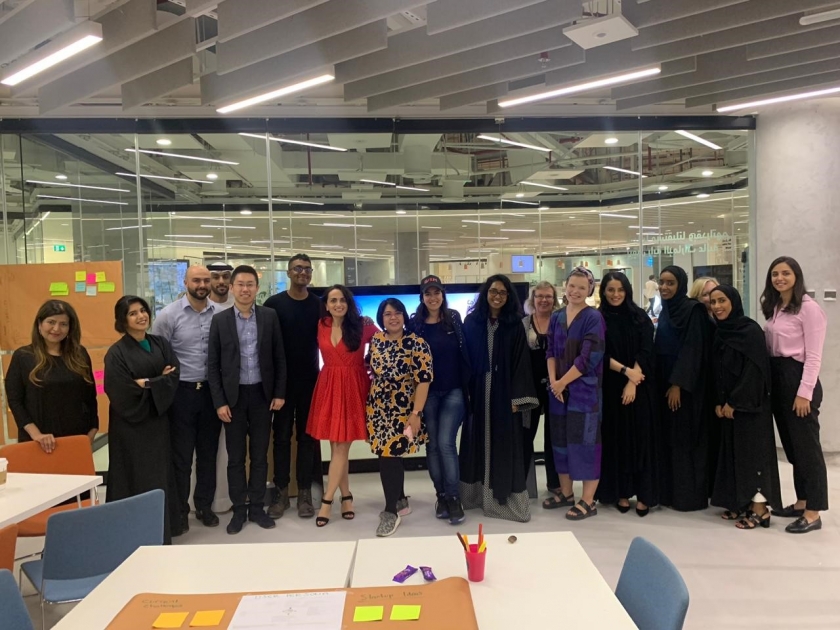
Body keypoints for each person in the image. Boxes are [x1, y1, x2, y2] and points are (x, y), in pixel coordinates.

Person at [207, 265, 286, 535]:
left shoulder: (269, 317)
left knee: (260, 456)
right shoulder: (220, 320)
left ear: (256, 288)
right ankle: (239, 509)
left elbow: (279, 357)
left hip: (263, 396)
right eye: (240, 284)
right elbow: (213, 365)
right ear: (232, 288)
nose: (245, 289)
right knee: (236, 458)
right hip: (234, 398)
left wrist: (279, 393)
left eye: (250, 284)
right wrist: (219, 402)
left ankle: (257, 508)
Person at [460, 274, 538, 522]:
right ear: (486, 293)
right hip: (477, 395)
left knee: (504, 445)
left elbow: (521, 363)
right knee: (475, 442)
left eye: (503, 293)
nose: (497, 296)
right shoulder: (472, 322)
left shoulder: (514, 325)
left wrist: (517, 400)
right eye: (493, 291)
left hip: (504, 398)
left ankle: (501, 500)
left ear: (508, 297)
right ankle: (473, 497)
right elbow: (464, 359)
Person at [152, 265, 221, 533]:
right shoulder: (168, 315)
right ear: (185, 282)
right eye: (196, 280)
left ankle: (204, 506)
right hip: (181, 394)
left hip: (211, 394)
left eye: (206, 280)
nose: (202, 285)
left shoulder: (220, 314)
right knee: (181, 458)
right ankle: (180, 510)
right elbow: (157, 354)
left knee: (208, 455)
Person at [104, 296, 179, 543]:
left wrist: (145, 383)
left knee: (159, 475)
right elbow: (120, 390)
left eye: (143, 310)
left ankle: (161, 530)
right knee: (133, 476)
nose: (141, 316)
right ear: (122, 320)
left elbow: (173, 376)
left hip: (158, 422)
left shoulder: (160, 343)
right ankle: (133, 533)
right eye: (133, 313)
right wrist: (158, 380)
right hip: (130, 427)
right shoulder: (116, 353)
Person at [762, 256, 827, 534]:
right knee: (793, 448)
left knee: (808, 450)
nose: (780, 278)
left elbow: (814, 356)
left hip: (798, 380)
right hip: (778, 379)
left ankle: (814, 512)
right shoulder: (776, 307)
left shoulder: (809, 309)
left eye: (786, 273)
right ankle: (802, 502)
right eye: (775, 274)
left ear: (796, 276)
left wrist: (804, 393)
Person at [709, 285, 781, 530]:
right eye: (713, 302)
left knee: (754, 457)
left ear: (734, 301)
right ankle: (740, 502)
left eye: (722, 300)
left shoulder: (750, 331)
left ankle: (760, 510)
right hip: (728, 407)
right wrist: (719, 402)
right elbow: (717, 371)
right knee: (734, 456)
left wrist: (735, 402)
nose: (717, 306)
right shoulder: (721, 332)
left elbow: (754, 372)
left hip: (751, 407)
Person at [307, 285, 378, 527]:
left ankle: (327, 501)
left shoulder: (363, 325)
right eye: (333, 300)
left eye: (342, 300)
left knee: (340, 447)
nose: (338, 304)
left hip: (353, 387)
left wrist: (371, 366)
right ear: (326, 305)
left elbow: (386, 343)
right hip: (328, 386)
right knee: (337, 445)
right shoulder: (321, 325)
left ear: (349, 303)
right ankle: (346, 497)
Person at [407, 275, 470, 525]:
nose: (433, 298)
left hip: (454, 390)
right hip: (427, 394)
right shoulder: (415, 324)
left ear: (443, 295)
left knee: (445, 443)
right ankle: (441, 496)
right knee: (432, 445)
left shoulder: (454, 318)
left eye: (437, 293)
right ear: (422, 297)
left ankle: (454, 497)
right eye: (428, 293)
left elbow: (465, 351)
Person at [263, 254, 323, 519]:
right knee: (281, 438)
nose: (303, 272)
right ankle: (281, 492)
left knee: (307, 439)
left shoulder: (319, 305)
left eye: (307, 269)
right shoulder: (273, 305)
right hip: (281, 385)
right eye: (297, 268)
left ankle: (305, 493)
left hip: (311, 382)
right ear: (288, 273)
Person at [545, 267, 606, 521]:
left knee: (586, 445)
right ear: (565, 286)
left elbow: (588, 359)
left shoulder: (593, 318)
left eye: (582, 287)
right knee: (560, 443)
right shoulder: (557, 317)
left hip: (584, 394)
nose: (576, 291)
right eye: (572, 286)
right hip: (558, 392)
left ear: (590, 290)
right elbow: (550, 351)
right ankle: (566, 493)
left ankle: (588, 501)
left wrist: (562, 382)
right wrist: (554, 382)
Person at [368, 298, 433, 537]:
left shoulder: (417, 343)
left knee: (390, 455)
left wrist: (416, 414)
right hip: (377, 409)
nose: (393, 317)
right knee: (387, 454)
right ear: (381, 318)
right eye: (387, 314)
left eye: (397, 313)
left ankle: (390, 512)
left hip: (403, 409)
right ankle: (401, 500)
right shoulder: (376, 340)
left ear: (404, 316)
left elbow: (424, 381)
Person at [595, 272, 658, 517]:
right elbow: (599, 354)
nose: (615, 294)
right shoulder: (598, 318)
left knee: (641, 439)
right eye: (610, 289)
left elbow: (647, 348)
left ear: (627, 290)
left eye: (620, 289)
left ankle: (644, 495)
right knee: (617, 440)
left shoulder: (639, 316)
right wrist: (626, 372)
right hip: (611, 387)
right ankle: (621, 492)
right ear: (603, 291)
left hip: (640, 386)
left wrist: (633, 380)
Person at [655, 265, 713, 512]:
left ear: (681, 285)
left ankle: (688, 497)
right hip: (664, 383)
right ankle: (669, 493)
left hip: (685, 388)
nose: (664, 287)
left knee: (685, 440)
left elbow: (693, 349)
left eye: (670, 283)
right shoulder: (667, 310)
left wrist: (677, 384)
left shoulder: (693, 310)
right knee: (669, 439)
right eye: (662, 282)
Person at [6, 300, 98, 451]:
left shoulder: (79, 354)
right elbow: (15, 401)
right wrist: (36, 435)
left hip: (76, 438)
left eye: (63, 324)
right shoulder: (23, 356)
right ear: (39, 324)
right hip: (38, 441)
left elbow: (90, 397)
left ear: (70, 327)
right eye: (51, 322)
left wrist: (93, 429)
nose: (56, 329)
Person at [522, 282, 562, 498]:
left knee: (554, 436)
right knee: (526, 435)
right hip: (530, 388)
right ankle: (523, 487)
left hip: (557, 387)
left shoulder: (561, 322)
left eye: (548, 296)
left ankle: (555, 484)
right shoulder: (524, 324)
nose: (544, 300)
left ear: (554, 299)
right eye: (540, 296)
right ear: (533, 299)